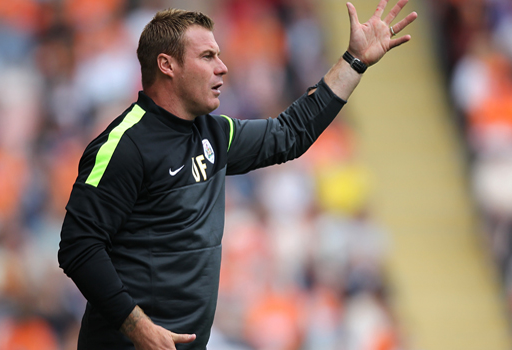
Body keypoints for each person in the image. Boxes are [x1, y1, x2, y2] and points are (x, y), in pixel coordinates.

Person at [57, 1, 418, 349]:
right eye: (208, 56)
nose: (223, 67)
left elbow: (290, 134)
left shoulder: (214, 134)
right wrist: (140, 329)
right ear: (167, 65)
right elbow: (79, 246)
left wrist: (354, 62)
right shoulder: (124, 145)